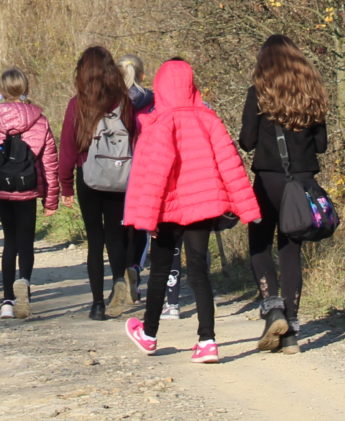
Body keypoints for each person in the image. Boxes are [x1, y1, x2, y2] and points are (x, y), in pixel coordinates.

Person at [123, 59, 258, 364]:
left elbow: (153, 176)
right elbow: (230, 165)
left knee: (159, 270)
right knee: (199, 270)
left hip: (168, 210)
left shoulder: (159, 123)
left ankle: (149, 334)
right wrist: (248, 209)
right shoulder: (209, 119)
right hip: (203, 207)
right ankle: (207, 341)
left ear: (160, 87)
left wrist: (147, 218)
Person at [240, 34, 330, 352]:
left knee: (259, 245)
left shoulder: (258, 93)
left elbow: (247, 141)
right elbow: (321, 145)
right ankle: (291, 331)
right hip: (302, 184)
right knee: (291, 251)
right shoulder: (312, 94)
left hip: (268, 182)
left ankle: (272, 309)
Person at [58, 44, 140, 318]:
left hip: (89, 175)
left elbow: (68, 147)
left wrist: (65, 184)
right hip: (119, 175)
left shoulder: (77, 104)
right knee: (115, 235)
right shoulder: (124, 103)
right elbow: (135, 139)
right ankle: (118, 281)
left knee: (95, 239)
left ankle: (96, 304)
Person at [0, 66, 61, 319]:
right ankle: (24, 283)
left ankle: (7, 301)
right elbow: (49, 161)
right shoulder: (40, 119)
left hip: (3, 186)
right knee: (26, 241)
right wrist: (51, 199)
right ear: (26, 87)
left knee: (10, 241)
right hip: (28, 185)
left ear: (2, 89)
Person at [120, 55, 155, 273]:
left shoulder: (109, 102)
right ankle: (135, 267)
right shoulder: (152, 102)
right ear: (142, 75)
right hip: (144, 168)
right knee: (140, 221)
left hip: (114, 169)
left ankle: (121, 271)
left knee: (118, 221)